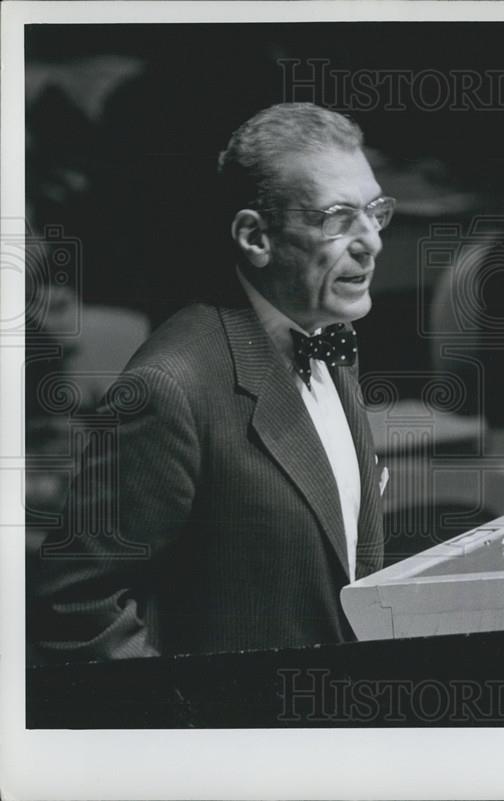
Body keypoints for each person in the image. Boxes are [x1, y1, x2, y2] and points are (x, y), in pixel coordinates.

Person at [29, 103, 393, 661]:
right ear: (255, 238)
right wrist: (193, 733)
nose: (372, 241)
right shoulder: (169, 387)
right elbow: (76, 608)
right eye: (339, 218)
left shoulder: (331, 334)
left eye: (374, 212)